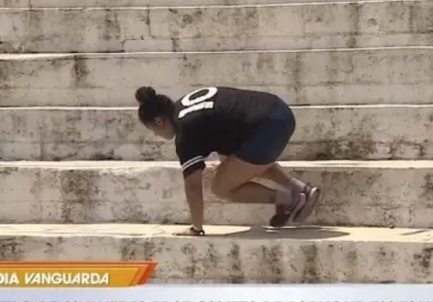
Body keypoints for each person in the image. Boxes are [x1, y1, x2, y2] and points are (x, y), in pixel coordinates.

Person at [135, 85, 321, 236]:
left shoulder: (184, 132)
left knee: (221, 187)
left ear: (160, 121)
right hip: (280, 111)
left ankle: (290, 200)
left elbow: (192, 185)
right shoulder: (186, 104)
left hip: (266, 130)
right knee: (236, 160)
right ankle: (300, 188)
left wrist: (196, 227)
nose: (156, 134)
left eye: (153, 129)